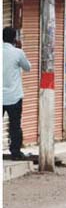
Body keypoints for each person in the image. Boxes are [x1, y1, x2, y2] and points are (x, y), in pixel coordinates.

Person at [3, 27, 31, 159]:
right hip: (14, 96)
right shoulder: (18, 53)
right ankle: (15, 152)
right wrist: (20, 48)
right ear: (14, 38)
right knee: (15, 125)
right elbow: (27, 67)